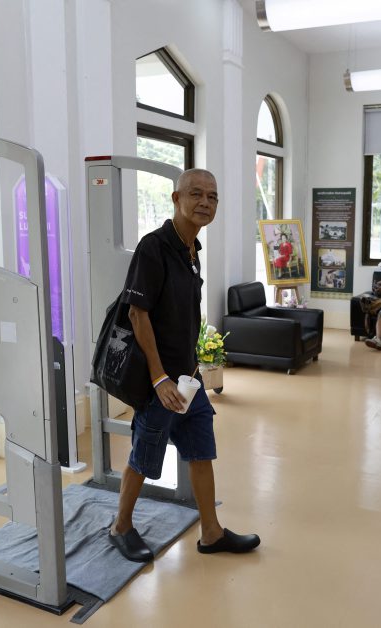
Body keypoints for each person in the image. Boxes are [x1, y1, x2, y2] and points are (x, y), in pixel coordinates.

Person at [109, 168, 261, 563]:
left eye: (212, 196)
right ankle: (120, 526)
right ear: (176, 199)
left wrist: (191, 369)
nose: (205, 202)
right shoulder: (154, 248)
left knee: (200, 450)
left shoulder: (192, 250)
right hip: (160, 381)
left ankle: (211, 533)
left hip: (188, 378)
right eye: (196, 194)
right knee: (144, 455)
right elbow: (138, 314)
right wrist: (159, 378)